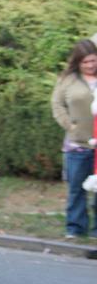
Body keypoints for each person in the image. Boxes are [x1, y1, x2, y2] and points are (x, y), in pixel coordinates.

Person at [50, 38, 97, 239]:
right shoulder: (68, 80)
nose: (91, 65)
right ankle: (75, 229)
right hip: (77, 145)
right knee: (77, 189)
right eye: (86, 62)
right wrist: (70, 125)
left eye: (94, 61)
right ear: (78, 62)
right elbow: (57, 104)